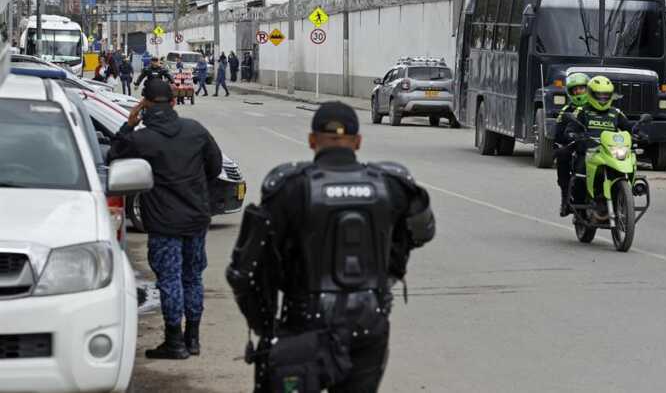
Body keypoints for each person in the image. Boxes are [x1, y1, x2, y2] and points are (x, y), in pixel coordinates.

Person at [227, 101, 436, 393]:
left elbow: (245, 272)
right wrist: (387, 273)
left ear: (312, 140)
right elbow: (422, 230)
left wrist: (266, 327)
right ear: (358, 142)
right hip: (369, 321)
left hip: (303, 322)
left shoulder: (289, 187)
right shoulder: (391, 184)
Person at [108, 79, 223, 359]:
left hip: (164, 224)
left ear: (144, 104)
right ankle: (192, 340)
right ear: (173, 102)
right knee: (192, 277)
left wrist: (128, 124)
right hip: (196, 219)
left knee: (170, 279)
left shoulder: (140, 138)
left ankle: (174, 343)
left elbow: (114, 157)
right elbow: (215, 166)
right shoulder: (195, 130)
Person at [564, 76, 634, 205]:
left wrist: (639, 134)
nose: (602, 99)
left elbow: (629, 129)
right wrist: (573, 134)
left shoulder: (616, 113)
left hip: (611, 152)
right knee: (580, 174)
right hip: (589, 153)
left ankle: (623, 197)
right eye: (599, 95)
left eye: (606, 96)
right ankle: (579, 204)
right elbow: (570, 129)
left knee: (630, 162)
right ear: (591, 94)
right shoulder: (582, 111)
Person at [554, 72, 590, 217]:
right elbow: (558, 134)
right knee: (562, 154)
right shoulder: (566, 111)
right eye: (575, 90)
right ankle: (565, 198)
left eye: (581, 88)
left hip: (599, 145)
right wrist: (570, 137)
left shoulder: (596, 107)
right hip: (576, 146)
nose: (578, 92)